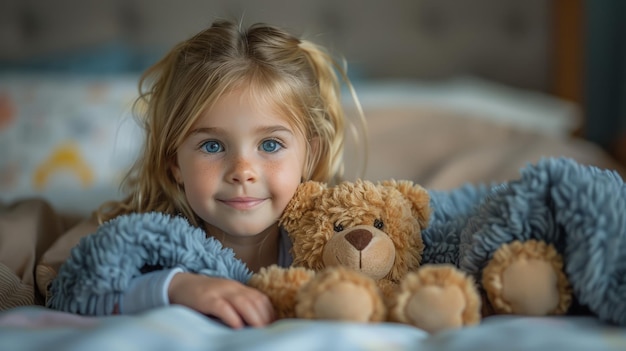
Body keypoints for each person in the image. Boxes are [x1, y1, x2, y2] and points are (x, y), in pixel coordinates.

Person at [48, 19, 366, 329]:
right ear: (175, 163)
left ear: (310, 156)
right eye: (212, 146)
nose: (243, 172)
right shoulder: (151, 243)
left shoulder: (334, 245)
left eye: (270, 144)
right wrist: (174, 288)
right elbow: (73, 290)